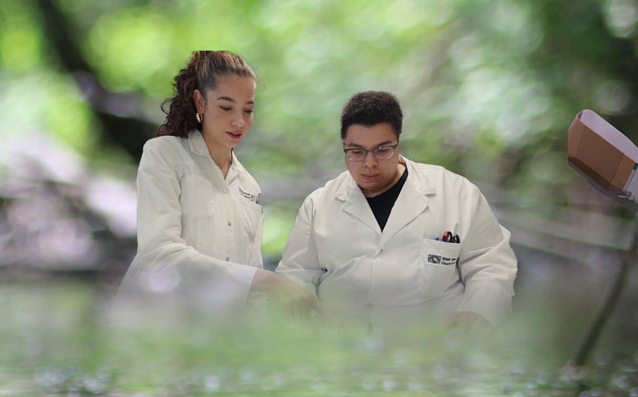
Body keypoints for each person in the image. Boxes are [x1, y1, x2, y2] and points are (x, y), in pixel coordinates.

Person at [276, 90, 516, 330]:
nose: (369, 163)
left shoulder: (456, 193)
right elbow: (296, 275)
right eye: (356, 152)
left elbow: (491, 264)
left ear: (398, 143)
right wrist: (308, 325)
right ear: (344, 148)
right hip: (341, 351)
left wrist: (477, 311)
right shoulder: (319, 205)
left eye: (382, 150)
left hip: (436, 351)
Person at [120, 50, 315, 309]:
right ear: (200, 102)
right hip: (155, 322)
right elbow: (159, 252)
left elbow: (249, 275)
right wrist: (264, 280)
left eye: (248, 110)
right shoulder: (164, 154)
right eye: (226, 107)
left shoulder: (248, 186)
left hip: (216, 334)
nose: (239, 121)